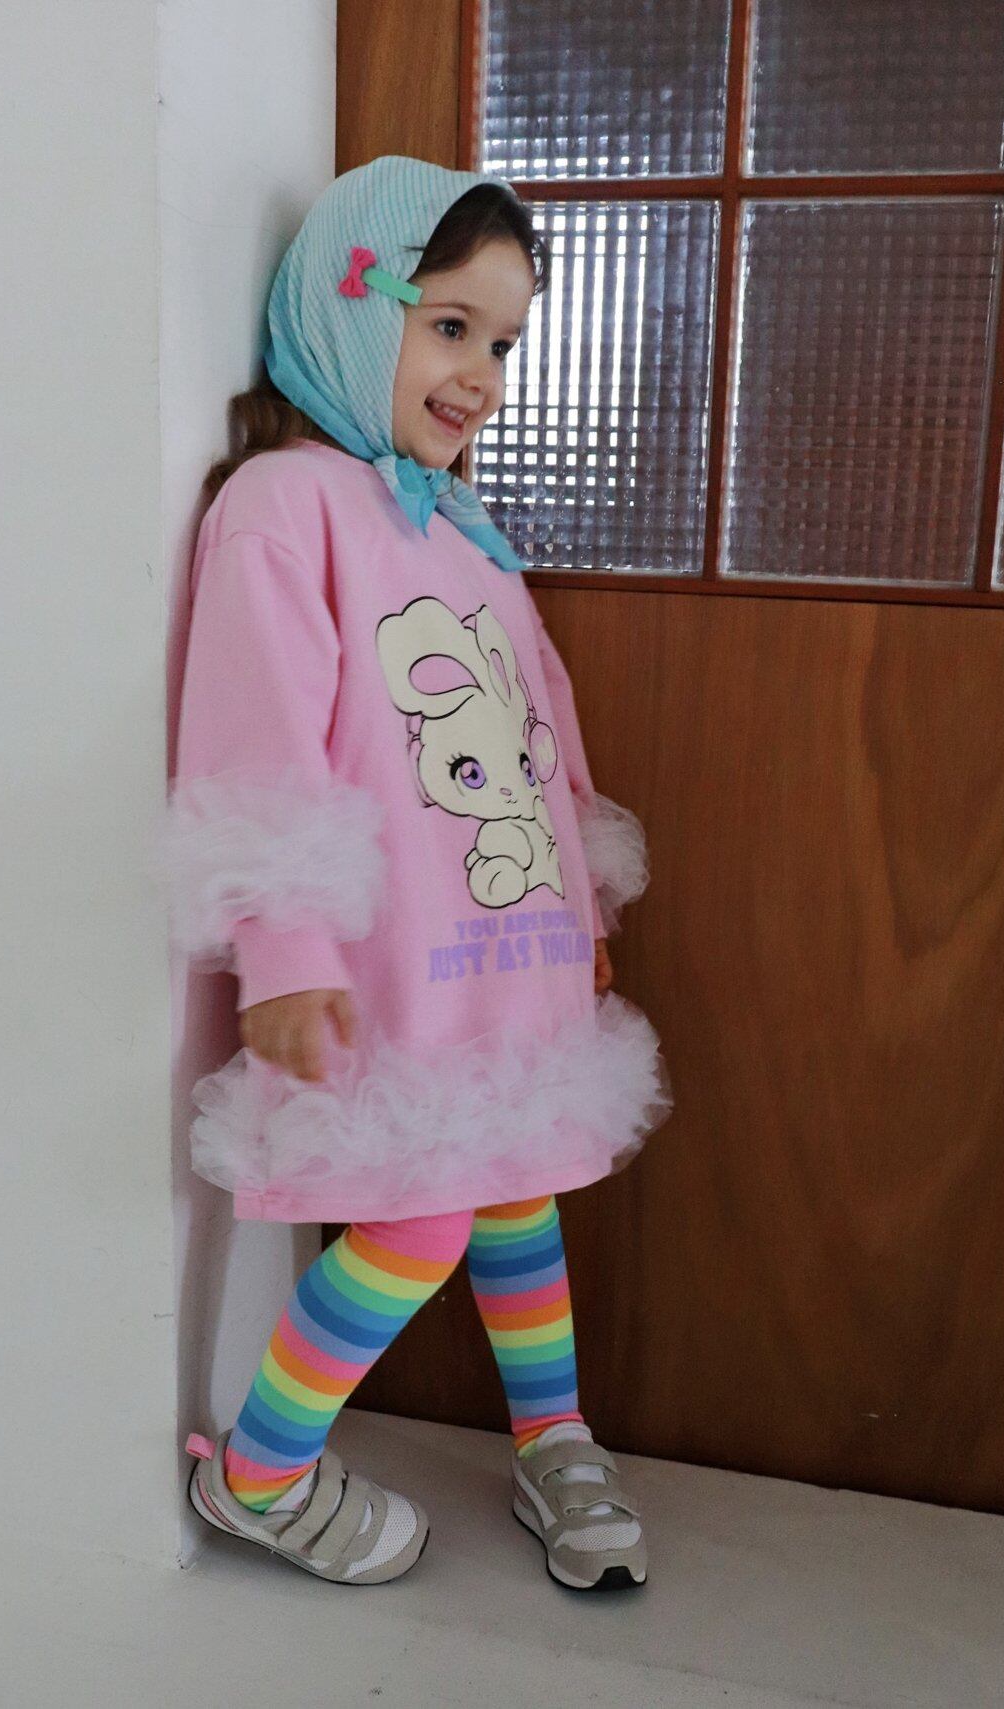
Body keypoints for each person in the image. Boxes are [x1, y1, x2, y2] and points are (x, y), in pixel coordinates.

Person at [163, 155, 671, 1591]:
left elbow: (540, 732)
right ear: (350, 307)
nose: (482, 377)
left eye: (502, 343)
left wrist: (581, 906)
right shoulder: (285, 507)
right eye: (450, 327)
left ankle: (556, 1434)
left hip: (508, 942)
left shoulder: (459, 530)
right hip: (389, 958)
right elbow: (255, 748)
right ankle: (260, 1472)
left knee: (518, 1183)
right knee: (419, 1212)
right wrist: (284, 952)